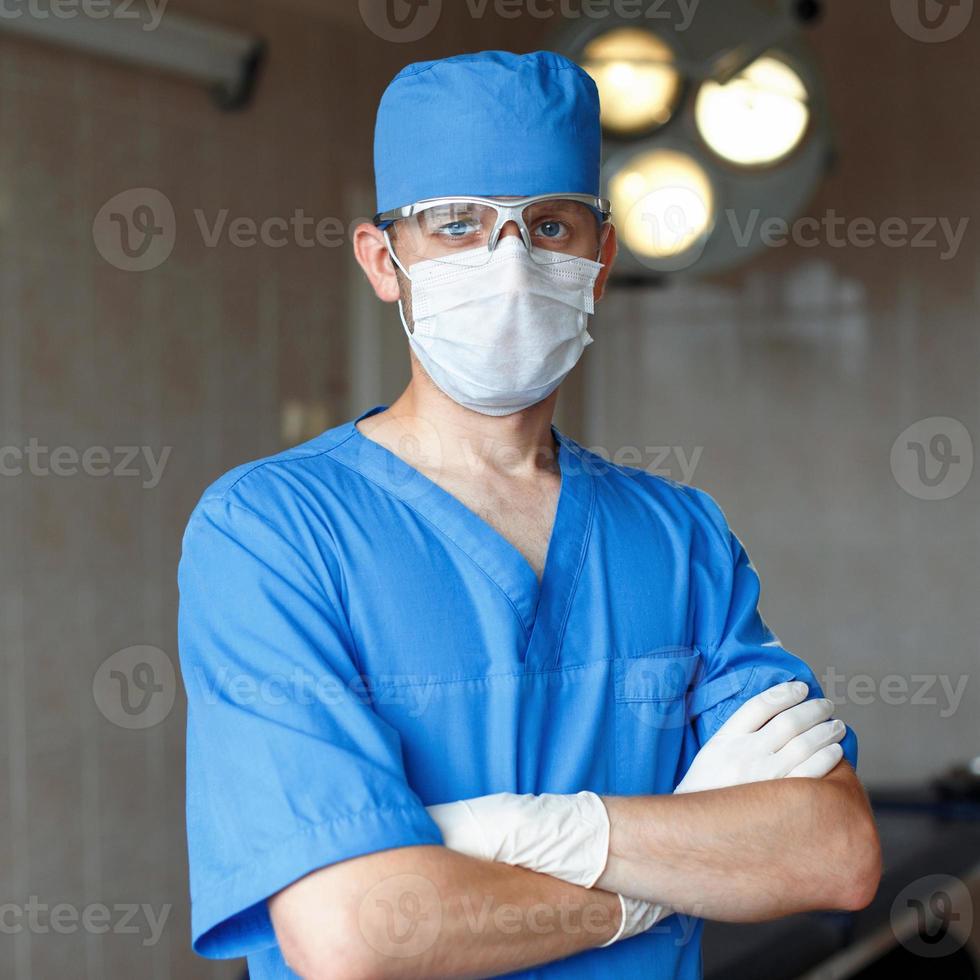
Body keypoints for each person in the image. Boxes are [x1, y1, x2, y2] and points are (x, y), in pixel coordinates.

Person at [178, 50, 881, 980]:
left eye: (549, 225)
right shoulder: (271, 534)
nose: (509, 264)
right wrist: (658, 877)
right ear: (385, 262)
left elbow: (833, 850)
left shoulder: (679, 537)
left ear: (599, 261)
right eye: (458, 225)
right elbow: (357, 932)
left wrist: (520, 833)